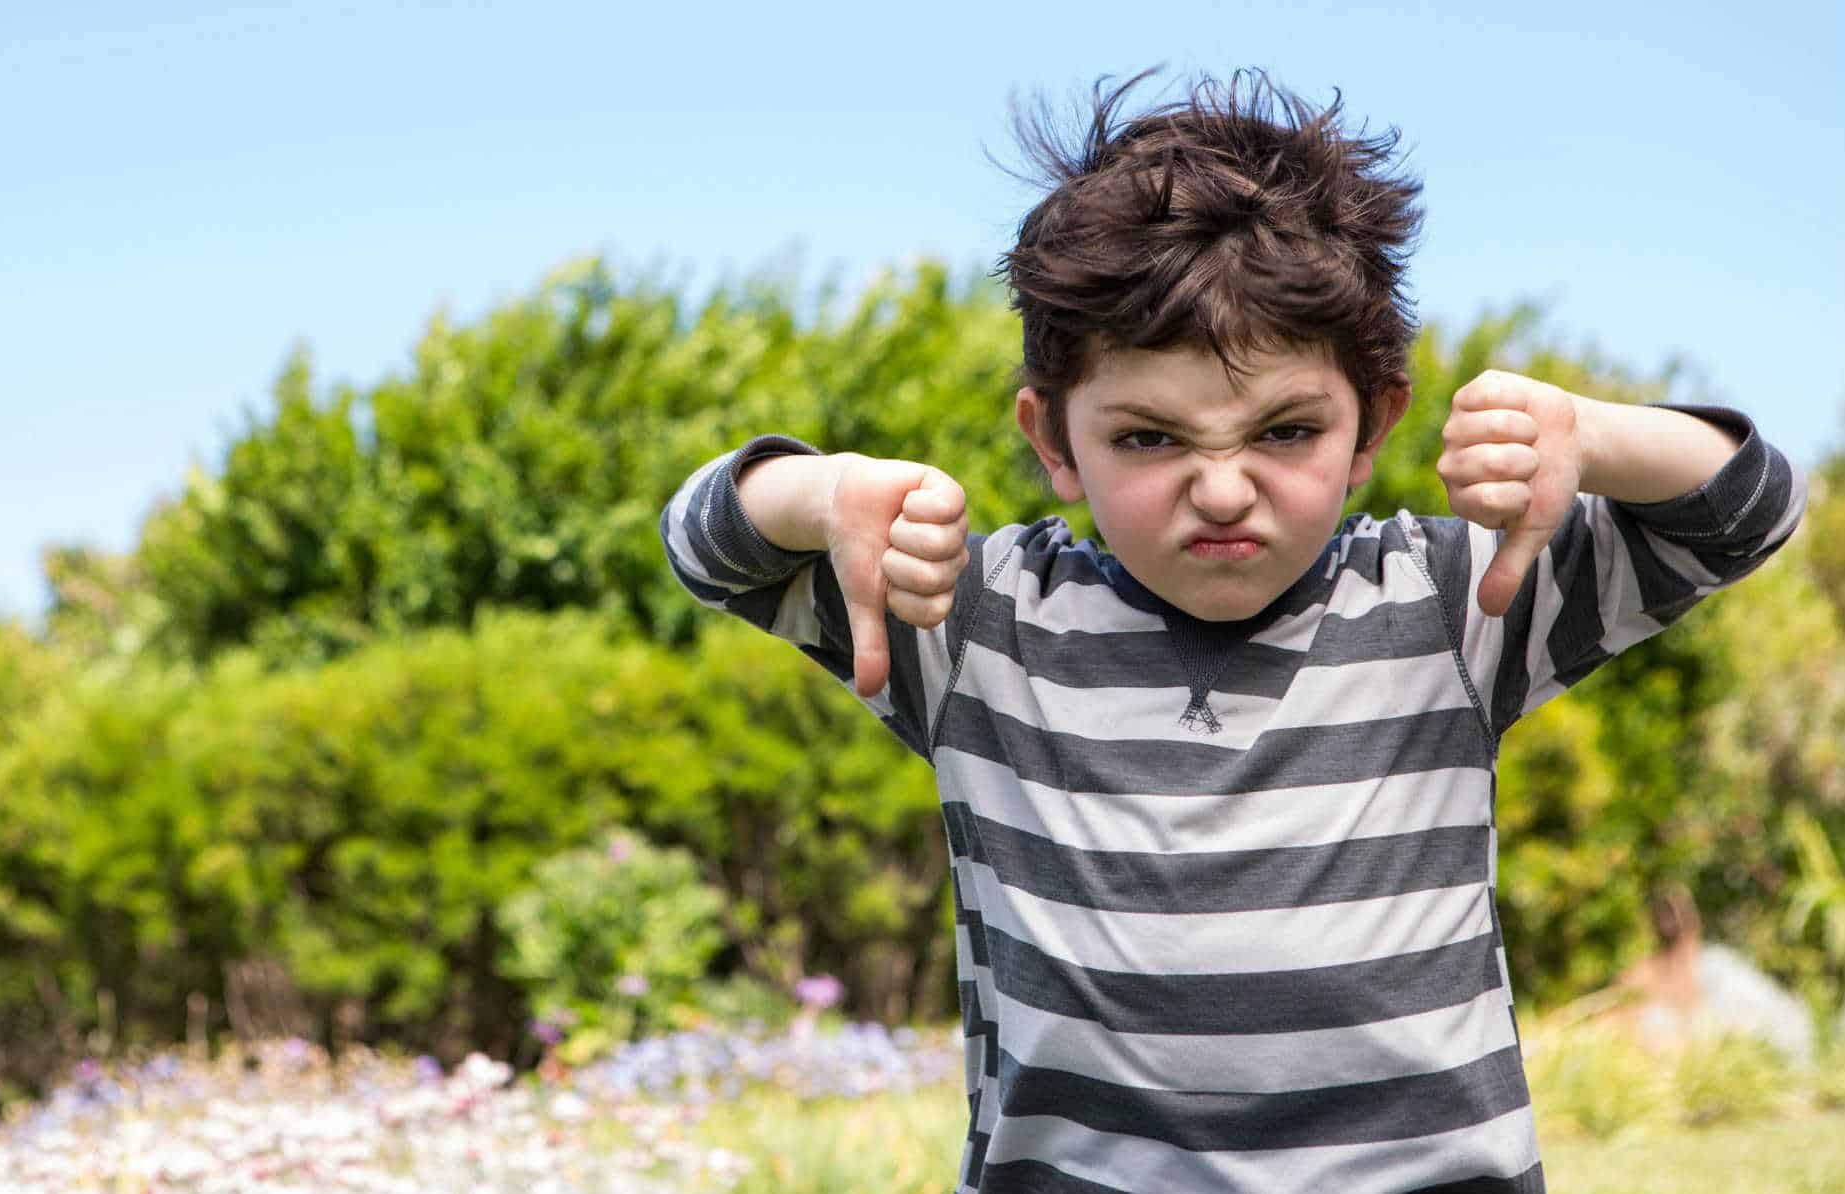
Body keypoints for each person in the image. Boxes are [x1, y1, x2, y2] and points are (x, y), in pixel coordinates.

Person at [657, 68, 1805, 1194]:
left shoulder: (1457, 602)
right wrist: (819, 496)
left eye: (1287, 431)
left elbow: (1746, 512)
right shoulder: (972, 622)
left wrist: (1598, 438)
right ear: (1053, 442)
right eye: (1149, 439)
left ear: (1371, 430)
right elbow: (704, 550)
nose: (1220, 490)